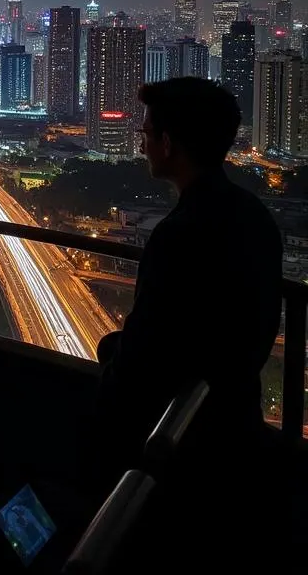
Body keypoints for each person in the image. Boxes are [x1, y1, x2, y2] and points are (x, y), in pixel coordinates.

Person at [97, 77, 282, 478]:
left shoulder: (179, 235)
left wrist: (112, 356)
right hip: (238, 421)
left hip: (178, 439)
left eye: (146, 133)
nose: (142, 144)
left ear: (168, 142)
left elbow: (144, 357)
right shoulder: (254, 215)